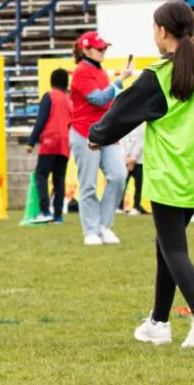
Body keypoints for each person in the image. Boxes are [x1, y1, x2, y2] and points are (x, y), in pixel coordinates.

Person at [90, 1, 194, 348]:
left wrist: (97, 135)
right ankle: (158, 323)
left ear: (162, 31)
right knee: (165, 245)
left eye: (153, 28)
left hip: (166, 174)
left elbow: (123, 109)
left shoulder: (158, 75)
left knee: (174, 247)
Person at [70, 33, 134, 246]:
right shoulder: (81, 73)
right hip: (84, 132)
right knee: (88, 184)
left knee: (118, 175)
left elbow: (106, 100)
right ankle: (91, 230)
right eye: (100, 49)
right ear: (86, 51)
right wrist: (121, 80)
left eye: (104, 48)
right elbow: (98, 99)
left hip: (105, 131)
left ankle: (104, 226)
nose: (103, 52)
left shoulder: (98, 71)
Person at [24, 68, 72, 224]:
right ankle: (58, 216)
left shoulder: (49, 96)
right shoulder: (69, 99)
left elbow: (41, 120)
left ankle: (44, 211)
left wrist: (31, 141)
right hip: (65, 142)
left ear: (52, 82)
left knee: (41, 175)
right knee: (59, 179)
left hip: (50, 140)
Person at [120, 124, 146, 216]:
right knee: (122, 183)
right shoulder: (123, 124)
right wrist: (126, 158)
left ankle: (136, 207)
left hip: (139, 161)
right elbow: (122, 142)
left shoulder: (143, 126)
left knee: (138, 185)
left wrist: (133, 158)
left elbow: (142, 143)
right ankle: (119, 206)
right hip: (124, 161)